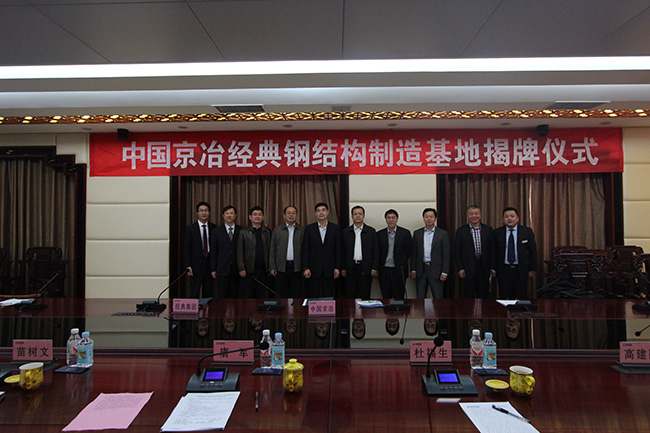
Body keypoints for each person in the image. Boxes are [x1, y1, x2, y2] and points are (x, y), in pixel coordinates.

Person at [494, 206, 538, 299]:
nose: (509, 218)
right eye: (506, 217)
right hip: (504, 270)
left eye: (512, 216)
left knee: (520, 297)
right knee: (505, 297)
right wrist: (493, 268)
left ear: (517, 218)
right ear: (503, 219)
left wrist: (532, 269)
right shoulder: (497, 232)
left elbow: (532, 251)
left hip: (521, 270)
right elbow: (493, 252)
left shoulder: (526, 232)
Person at [454, 205, 496, 298]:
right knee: (469, 294)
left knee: (484, 294)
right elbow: (457, 251)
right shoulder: (461, 231)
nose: (474, 216)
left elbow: (493, 250)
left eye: (476, 214)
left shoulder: (488, 229)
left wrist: (493, 266)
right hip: (468, 267)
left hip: (484, 267)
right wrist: (460, 268)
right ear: (467, 216)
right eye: (471, 214)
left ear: (480, 216)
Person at [302, 202, 341, 298]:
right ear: (315, 213)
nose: (321, 213)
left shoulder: (335, 228)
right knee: (313, 294)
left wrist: (337, 267)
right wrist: (306, 268)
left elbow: (338, 249)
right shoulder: (309, 229)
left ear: (327, 212)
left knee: (329, 294)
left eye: (323, 210)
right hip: (313, 268)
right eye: (318, 211)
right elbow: (305, 249)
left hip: (330, 268)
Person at [411, 208, 450, 299]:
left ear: (435, 219)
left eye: (431, 217)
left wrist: (445, 271)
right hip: (421, 269)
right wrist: (413, 269)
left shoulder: (442, 234)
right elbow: (414, 253)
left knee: (438, 297)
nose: (429, 219)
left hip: (436, 270)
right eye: (426, 217)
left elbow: (446, 254)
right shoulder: (417, 233)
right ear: (423, 218)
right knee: (420, 297)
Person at [341, 206, 379, 299]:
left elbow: (376, 251)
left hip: (365, 268)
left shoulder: (371, 231)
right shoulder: (346, 232)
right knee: (350, 295)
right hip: (350, 269)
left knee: (365, 295)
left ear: (363, 216)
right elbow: (342, 251)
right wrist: (343, 267)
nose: (357, 216)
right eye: (355, 214)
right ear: (352, 216)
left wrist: (374, 267)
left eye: (360, 214)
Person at [269, 205, 304, 298]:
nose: (291, 215)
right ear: (284, 215)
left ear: (296, 215)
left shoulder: (302, 230)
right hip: (281, 267)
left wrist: (305, 267)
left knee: (296, 293)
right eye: (289, 213)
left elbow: (305, 250)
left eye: (293, 213)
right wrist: (272, 267)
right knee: (281, 294)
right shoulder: (277, 230)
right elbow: (272, 249)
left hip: (297, 267)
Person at [236, 206, 271, 298]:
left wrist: (270, 267)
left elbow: (270, 250)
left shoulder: (267, 232)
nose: (257, 217)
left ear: (263, 217)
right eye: (255, 214)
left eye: (260, 215)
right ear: (250, 217)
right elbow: (239, 251)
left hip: (263, 269)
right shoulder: (244, 232)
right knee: (248, 296)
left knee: (261, 295)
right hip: (248, 270)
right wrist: (241, 268)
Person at [377, 209, 412, 299]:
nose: (391, 220)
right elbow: (377, 252)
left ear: (397, 219)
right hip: (384, 270)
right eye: (388, 218)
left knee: (399, 297)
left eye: (393, 218)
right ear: (385, 219)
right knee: (386, 297)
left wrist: (402, 261)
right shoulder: (379, 234)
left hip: (399, 270)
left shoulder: (405, 233)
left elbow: (409, 250)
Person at [184, 201, 216, 298]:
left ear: (209, 212)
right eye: (201, 211)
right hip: (195, 265)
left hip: (209, 264)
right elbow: (187, 248)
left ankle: (207, 308)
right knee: (194, 291)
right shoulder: (190, 229)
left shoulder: (214, 228)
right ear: (197, 213)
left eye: (206, 210)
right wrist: (188, 265)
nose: (204, 213)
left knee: (209, 292)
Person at [210, 205, 242, 298]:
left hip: (237, 269)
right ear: (223, 216)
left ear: (235, 215)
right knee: (222, 295)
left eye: (231, 213)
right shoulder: (216, 231)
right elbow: (213, 251)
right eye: (227, 213)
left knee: (236, 295)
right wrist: (213, 269)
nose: (229, 215)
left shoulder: (241, 230)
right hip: (222, 268)